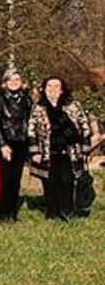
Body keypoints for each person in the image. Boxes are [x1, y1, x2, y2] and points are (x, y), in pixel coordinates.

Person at [28, 76, 94, 221]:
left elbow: (84, 127)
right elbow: (31, 130)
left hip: (70, 150)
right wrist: (35, 151)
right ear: (44, 89)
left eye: (56, 86)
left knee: (67, 181)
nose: (52, 89)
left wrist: (85, 148)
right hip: (47, 151)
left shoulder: (73, 106)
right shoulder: (39, 107)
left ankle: (67, 211)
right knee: (50, 182)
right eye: (49, 86)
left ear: (62, 89)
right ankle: (52, 212)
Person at [0, 69, 33, 222]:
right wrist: (2, 144)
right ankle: (3, 213)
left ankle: (13, 213)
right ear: (4, 83)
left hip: (21, 143)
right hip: (6, 142)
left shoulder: (27, 100)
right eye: (11, 80)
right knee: (6, 178)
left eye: (17, 79)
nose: (14, 83)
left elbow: (29, 121)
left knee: (16, 178)